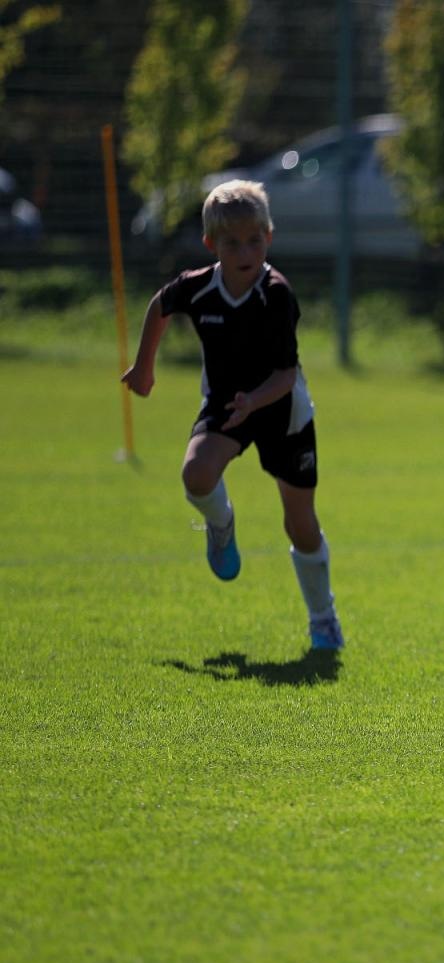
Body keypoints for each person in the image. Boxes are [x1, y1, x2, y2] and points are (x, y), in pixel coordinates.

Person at [121, 180, 343, 651]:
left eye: (255, 241)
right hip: (227, 404)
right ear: (211, 245)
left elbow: (285, 375)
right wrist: (143, 368)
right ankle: (221, 525)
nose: (245, 251)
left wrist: (252, 403)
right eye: (232, 243)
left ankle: (323, 618)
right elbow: (160, 306)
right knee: (196, 475)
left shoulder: (276, 294)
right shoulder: (198, 288)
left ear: (269, 236)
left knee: (299, 523)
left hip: (282, 412)